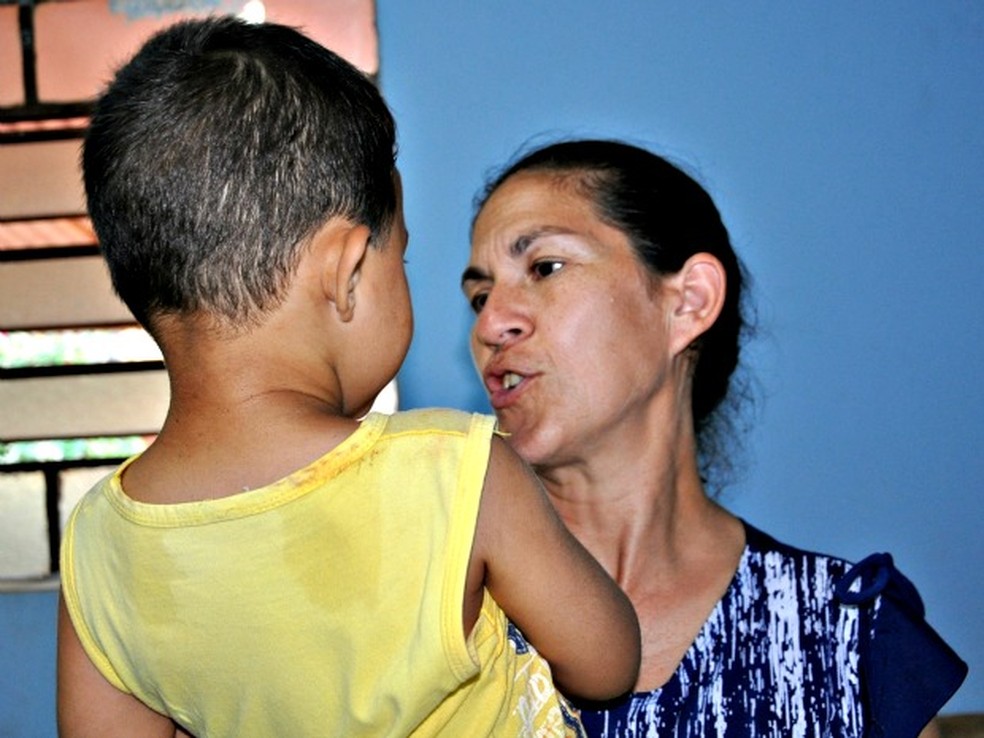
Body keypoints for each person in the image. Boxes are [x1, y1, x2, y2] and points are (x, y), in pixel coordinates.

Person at [57, 21, 641, 738]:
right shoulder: (454, 471)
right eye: (399, 256)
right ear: (347, 269)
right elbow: (608, 663)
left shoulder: (97, 545)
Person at [461, 138, 967, 738]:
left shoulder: (845, 640)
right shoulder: (441, 616)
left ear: (689, 303)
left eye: (545, 267)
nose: (491, 323)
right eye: (479, 296)